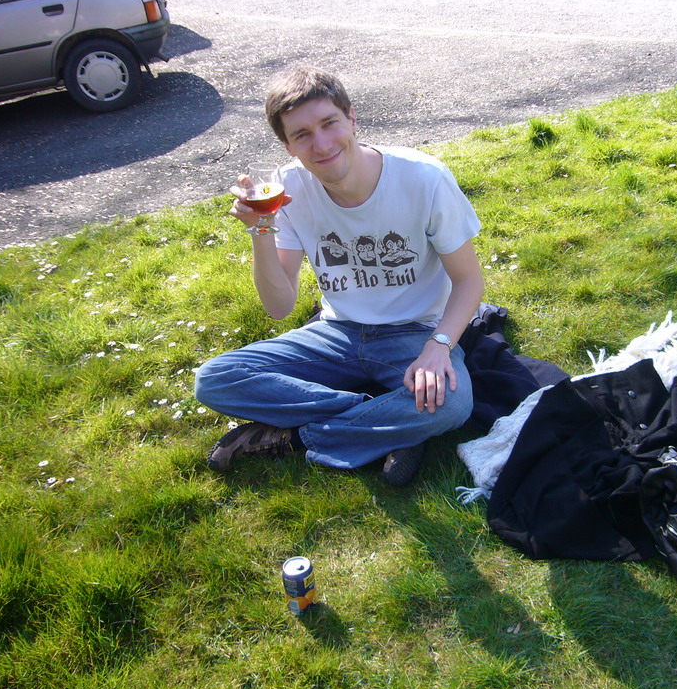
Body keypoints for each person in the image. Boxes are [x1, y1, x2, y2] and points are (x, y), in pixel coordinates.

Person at [194, 65, 485, 487]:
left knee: (452, 403)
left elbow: (469, 281)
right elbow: (280, 307)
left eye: (329, 123)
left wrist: (439, 347)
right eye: (302, 135)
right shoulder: (288, 189)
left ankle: (295, 435)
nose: (322, 144)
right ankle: (385, 418)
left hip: (414, 332)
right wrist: (260, 228)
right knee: (215, 379)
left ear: (352, 117)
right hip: (339, 332)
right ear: (288, 145)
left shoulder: (424, 178)